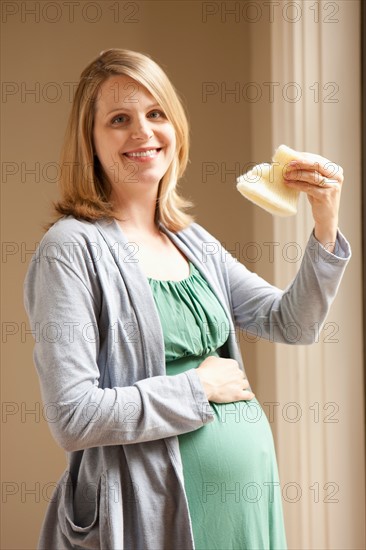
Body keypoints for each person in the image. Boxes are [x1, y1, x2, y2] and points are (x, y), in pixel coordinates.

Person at [23, 48, 351, 550]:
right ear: (88, 141)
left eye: (156, 114)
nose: (143, 133)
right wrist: (197, 391)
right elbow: (73, 415)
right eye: (118, 119)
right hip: (155, 515)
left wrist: (325, 223)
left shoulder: (192, 240)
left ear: (176, 127)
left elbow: (290, 323)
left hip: (246, 507)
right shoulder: (70, 249)